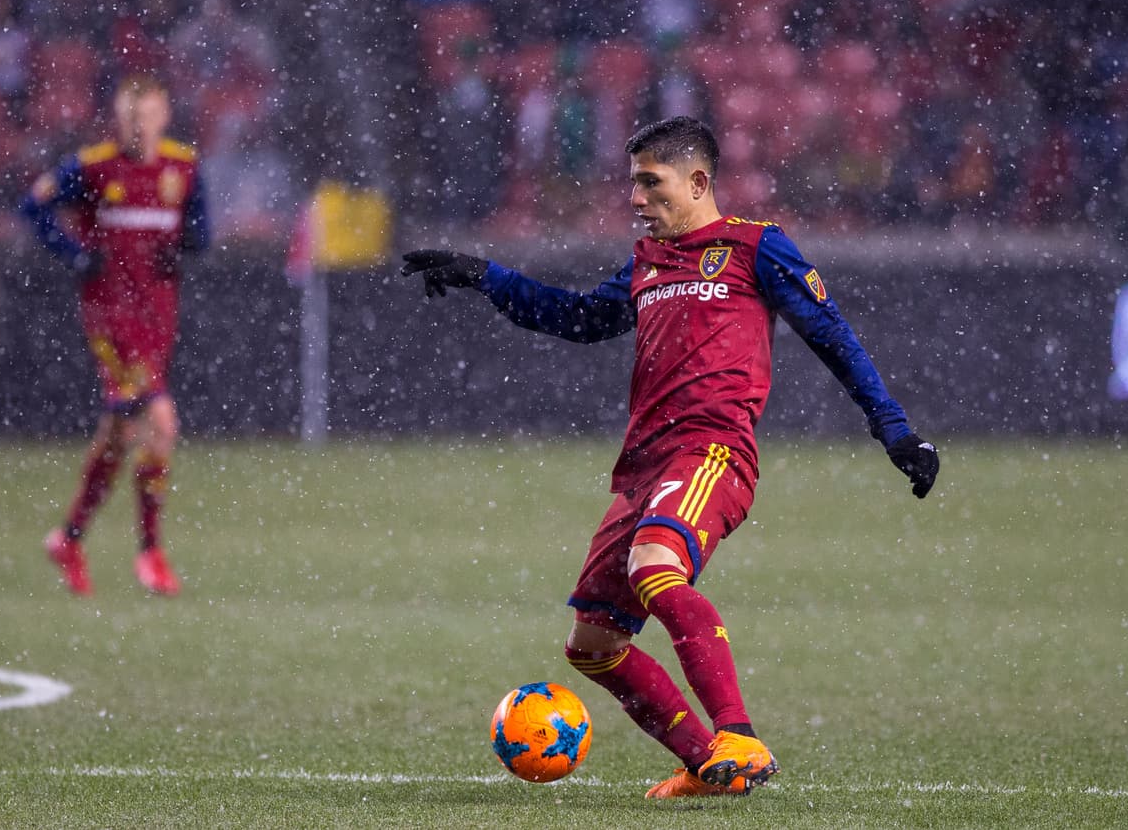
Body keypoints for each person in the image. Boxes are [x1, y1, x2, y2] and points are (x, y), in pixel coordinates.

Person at [401, 116, 939, 799]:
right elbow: (574, 317)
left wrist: (895, 431)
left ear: (697, 181)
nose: (635, 198)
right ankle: (707, 763)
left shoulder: (756, 248)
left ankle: (737, 731)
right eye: (632, 184)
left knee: (657, 565)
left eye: (649, 184)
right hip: (645, 470)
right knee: (593, 644)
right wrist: (485, 274)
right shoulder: (646, 263)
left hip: (713, 449)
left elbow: (833, 336)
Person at [20, 74, 209, 597]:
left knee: (121, 434)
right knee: (161, 420)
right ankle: (150, 551)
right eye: (130, 116)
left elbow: (202, 229)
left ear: (163, 114)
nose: (138, 126)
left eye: (146, 115)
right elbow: (33, 207)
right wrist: (77, 256)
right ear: (118, 118)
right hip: (110, 315)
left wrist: (186, 245)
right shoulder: (93, 166)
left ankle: (69, 536)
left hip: (157, 316)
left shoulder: (184, 167)